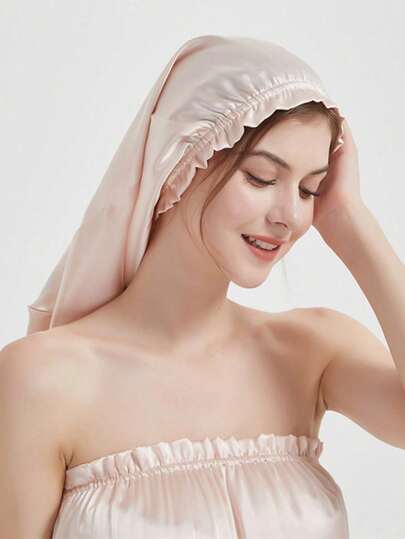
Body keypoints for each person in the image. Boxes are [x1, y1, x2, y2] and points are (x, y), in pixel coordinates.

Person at [2, 34, 405, 539]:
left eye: (310, 190)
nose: (290, 216)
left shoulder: (311, 352)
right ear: (181, 163)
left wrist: (350, 218)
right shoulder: (44, 378)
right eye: (261, 178)